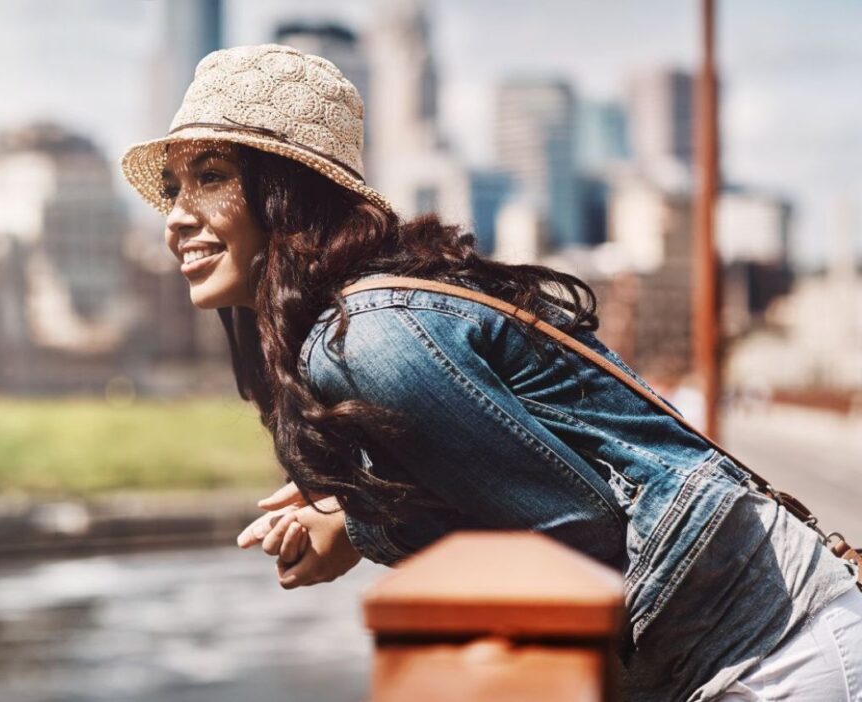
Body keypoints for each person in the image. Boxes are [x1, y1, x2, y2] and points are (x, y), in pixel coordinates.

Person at [121, 43, 862, 702]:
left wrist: (360, 522)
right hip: (750, 643)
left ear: (284, 193)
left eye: (210, 177)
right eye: (175, 187)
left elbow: (574, 531)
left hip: (773, 654)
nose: (175, 217)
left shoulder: (360, 339)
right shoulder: (378, 312)